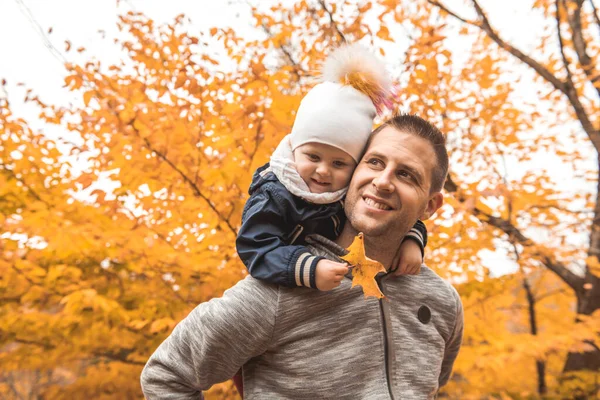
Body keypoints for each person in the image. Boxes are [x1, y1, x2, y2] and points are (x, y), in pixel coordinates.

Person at [140, 113, 464, 399]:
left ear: (430, 206)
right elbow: (166, 375)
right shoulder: (281, 288)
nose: (382, 181)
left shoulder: (443, 302)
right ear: (352, 171)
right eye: (375, 162)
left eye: (406, 174)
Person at [236, 43, 428, 293]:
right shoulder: (275, 194)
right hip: (287, 287)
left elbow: (394, 211)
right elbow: (255, 245)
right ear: (294, 150)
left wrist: (412, 239)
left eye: (338, 163)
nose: (324, 171)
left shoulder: (349, 191)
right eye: (313, 157)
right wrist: (308, 268)